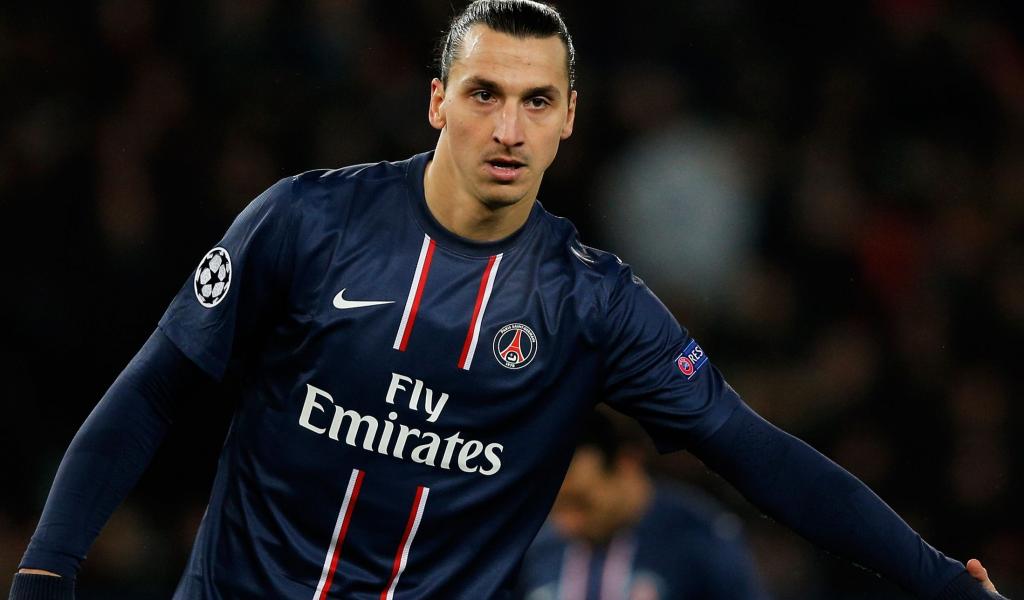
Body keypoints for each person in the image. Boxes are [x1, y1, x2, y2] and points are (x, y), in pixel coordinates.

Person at [9, 1, 1007, 599]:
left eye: (536, 101)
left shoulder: (592, 306)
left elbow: (756, 454)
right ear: (437, 100)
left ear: (569, 118)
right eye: (484, 93)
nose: (508, 128)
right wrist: (48, 569)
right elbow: (154, 390)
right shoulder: (305, 222)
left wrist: (934, 579)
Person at [515, 410, 768, 600]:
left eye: (581, 502)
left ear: (626, 465)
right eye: (554, 506)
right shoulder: (532, 549)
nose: (565, 524)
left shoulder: (698, 536)